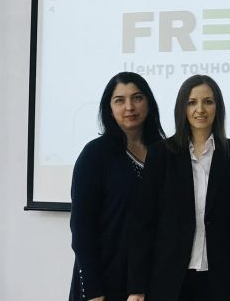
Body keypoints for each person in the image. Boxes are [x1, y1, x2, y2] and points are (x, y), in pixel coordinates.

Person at [126, 75, 230, 301]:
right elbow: (144, 224)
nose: (200, 109)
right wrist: (137, 287)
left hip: (220, 279)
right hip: (170, 279)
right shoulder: (161, 154)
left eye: (208, 101)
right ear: (182, 108)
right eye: (192, 102)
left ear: (218, 107)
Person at [69, 72, 166, 301]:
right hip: (104, 281)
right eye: (119, 100)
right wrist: (94, 291)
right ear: (109, 109)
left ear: (149, 103)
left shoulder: (164, 153)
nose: (129, 107)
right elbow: (82, 229)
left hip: (151, 280)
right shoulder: (95, 155)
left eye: (137, 98)